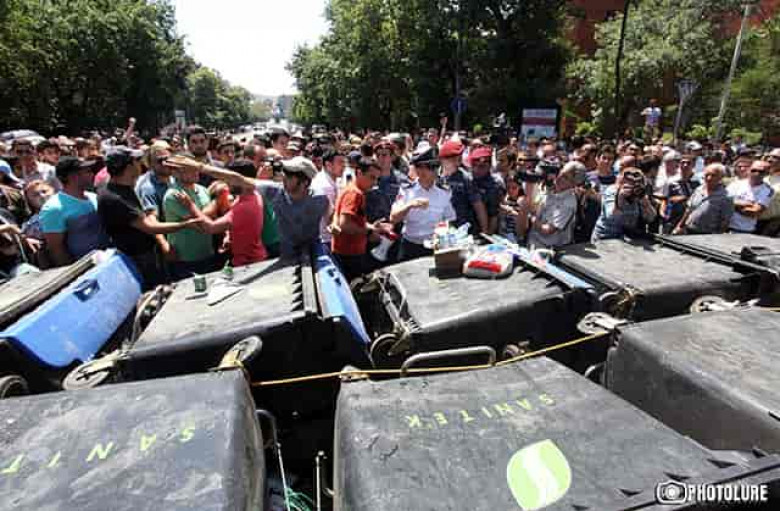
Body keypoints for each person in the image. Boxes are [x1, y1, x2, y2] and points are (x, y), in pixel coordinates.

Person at [99, 147, 201, 288]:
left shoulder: (123, 188)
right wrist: (185, 224)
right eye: (136, 160)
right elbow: (150, 226)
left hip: (148, 254)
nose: (140, 164)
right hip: (139, 260)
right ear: (129, 167)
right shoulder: (114, 198)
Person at [167, 159, 268, 268]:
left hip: (249, 263)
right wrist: (229, 236)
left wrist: (191, 206)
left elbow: (211, 227)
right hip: (250, 258)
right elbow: (236, 223)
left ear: (239, 181)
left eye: (229, 180)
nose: (226, 184)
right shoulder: (252, 195)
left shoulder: (244, 206)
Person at [330, 157, 393, 281]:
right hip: (349, 255)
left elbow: (353, 220)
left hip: (349, 253)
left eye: (377, 179)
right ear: (359, 173)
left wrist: (373, 227)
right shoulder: (355, 194)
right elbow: (345, 224)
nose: (375, 183)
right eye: (372, 177)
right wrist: (369, 232)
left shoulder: (352, 189)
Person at [390, 146, 456, 261]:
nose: (435, 170)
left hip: (435, 246)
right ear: (418, 170)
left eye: (436, 166)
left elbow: (450, 219)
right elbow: (393, 218)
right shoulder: (407, 190)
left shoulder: (444, 191)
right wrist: (410, 205)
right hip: (411, 246)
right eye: (430, 167)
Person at [40, 157, 108, 266]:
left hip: (107, 259)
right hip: (84, 268)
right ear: (73, 176)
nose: (92, 174)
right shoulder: (54, 209)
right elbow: (56, 249)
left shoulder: (93, 197)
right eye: (87, 171)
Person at [162, 155, 217, 279]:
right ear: (175, 173)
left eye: (195, 167)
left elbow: (210, 218)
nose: (195, 171)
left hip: (207, 254)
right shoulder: (173, 196)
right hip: (186, 260)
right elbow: (201, 225)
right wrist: (213, 207)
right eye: (189, 168)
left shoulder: (203, 190)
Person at [592, 167, 657, 241]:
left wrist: (645, 203)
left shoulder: (640, 194)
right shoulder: (612, 191)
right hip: (605, 237)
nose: (634, 186)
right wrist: (620, 198)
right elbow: (611, 218)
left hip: (628, 237)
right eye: (630, 183)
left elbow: (651, 218)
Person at [524, 162, 580, 249]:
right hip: (532, 239)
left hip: (547, 247)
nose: (560, 178)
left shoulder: (568, 202)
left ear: (573, 183)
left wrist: (531, 217)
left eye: (566, 178)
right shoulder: (550, 188)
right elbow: (533, 207)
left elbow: (547, 230)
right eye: (561, 174)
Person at [439, 139, 488, 234]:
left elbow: (478, 205)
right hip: (440, 227)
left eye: (459, 158)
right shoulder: (435, 176)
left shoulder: (466, 178)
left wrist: (484, 231)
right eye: (452, 159)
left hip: (461, 229)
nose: (457, 162)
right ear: (442, 159)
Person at [673, 163, 733, 235]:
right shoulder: (699, 189)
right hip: (688, 230)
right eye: (707, 175)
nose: (709, 178)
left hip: (707, 234)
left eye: (713, 175)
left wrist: (717, 236)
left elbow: (725, 221)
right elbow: (688, 209)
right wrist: (679, 226)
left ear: (721, 177)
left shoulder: (726, 197)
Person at [727, 160, 773, 234]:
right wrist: (743, 204)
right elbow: (722, 201)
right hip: (724, 226)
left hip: (743, 230)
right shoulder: (735, 184)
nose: (756, 174)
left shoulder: (768, 190)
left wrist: (732, 204)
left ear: (767, 173)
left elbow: (754, 212)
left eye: (761, 172)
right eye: (753, 170)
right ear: (749, 170)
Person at [310, 149, 345, 247]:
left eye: (344, 162)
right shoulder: (325, 186)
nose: (344, 166)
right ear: (328, 165)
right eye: (340, 162)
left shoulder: (331, 180)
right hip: (326, 240)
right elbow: (331, 218)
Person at [469, 146, 505, 235]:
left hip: (485, 230)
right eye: (474, 165)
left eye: (481, 166)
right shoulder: (469, 179)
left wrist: (487, 236)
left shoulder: (495, 185)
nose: (476, 170)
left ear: (489, 166)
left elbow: (494, 215)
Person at [661, 154, 700, 234]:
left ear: (693, 165)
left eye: (688, 163)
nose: (685, 165)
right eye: (683, 162)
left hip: (690, 219)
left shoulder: (698, 182)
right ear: (679, 164)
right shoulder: (671, 182)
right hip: (673, 217)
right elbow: (665, 199)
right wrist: (662, 212)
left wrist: (685, 198)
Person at [759, 148, 780, 236]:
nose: (769, 159)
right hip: (750, 222)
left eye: (775, 157)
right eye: (769, 156)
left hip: (772, 227)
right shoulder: (761, 176)